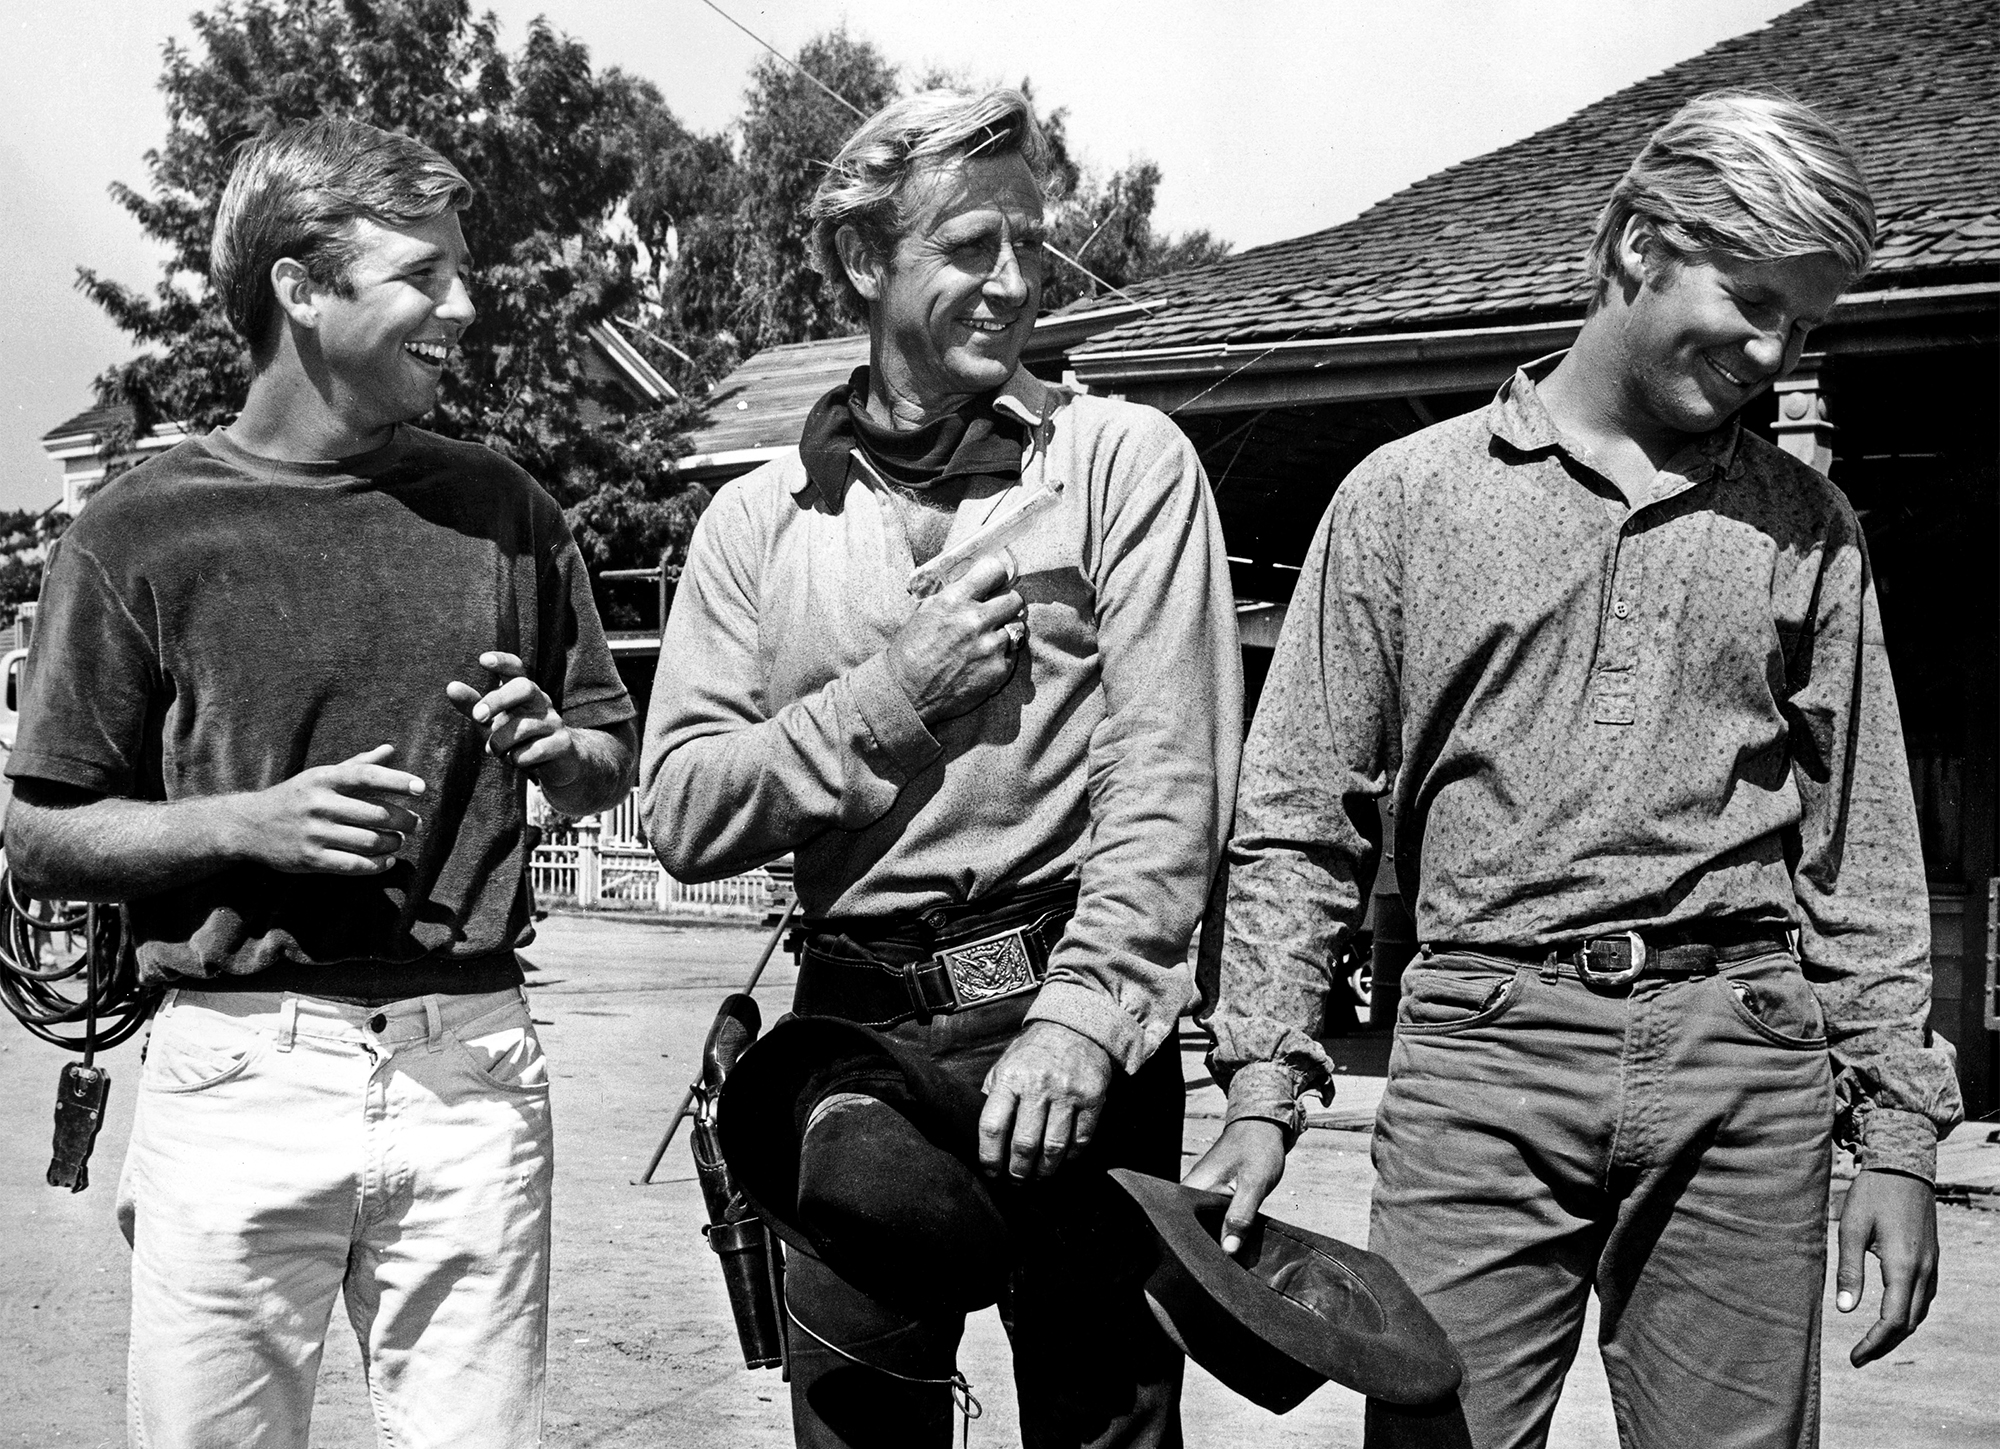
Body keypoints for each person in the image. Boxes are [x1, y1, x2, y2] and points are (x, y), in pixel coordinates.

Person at [1188, 90, 1963, 1449]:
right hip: (1482, 1057)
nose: (1775, 353)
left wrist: (1895, 1138)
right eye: (1754, 301)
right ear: (1638, 247)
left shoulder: (1809, 527)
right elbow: (1302, 815)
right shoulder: (1407, 497)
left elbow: (1861, 849)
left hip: (1742, 1062)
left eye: (1807, 326)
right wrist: (1263, 1085)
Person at [6, 118, 636, 1448]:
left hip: (471, 1067)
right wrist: (252, 826)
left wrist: (558, 751)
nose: (462, 309)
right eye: (424, 275)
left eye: (461, 272)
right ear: (299, 288)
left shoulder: (507, 510)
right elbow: (41, 836)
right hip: (238, 1072)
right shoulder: (138, 530)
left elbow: (604, 761)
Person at [642, 88, 1241, 1449]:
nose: (1016, 281)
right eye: (972, 246)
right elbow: (683, 807)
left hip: (1070, 1027)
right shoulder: (756, 521)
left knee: (1107, 1433)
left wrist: (1087, 1014)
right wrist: (893, 700)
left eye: (1032, 243)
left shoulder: (1120, 464)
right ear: (866, 260)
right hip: (853, 1057)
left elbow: (1170, 778)